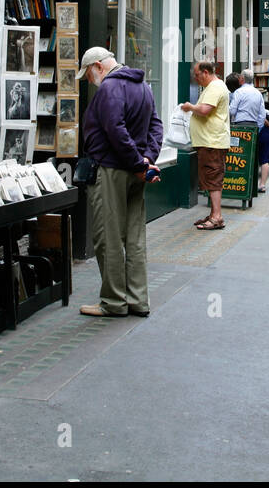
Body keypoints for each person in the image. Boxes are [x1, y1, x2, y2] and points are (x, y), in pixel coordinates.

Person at [77, 47, 164, 318]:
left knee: (108, 236)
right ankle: (138, 299)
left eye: (89, 74)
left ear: (98, 67)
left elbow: (115, 130)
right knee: (135, 236)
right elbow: (156, 127)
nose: (90, 81)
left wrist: (139, 163)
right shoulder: (144, 86)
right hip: (134, 170)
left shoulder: (109, 88)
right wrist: (146, 160)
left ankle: (113, 301)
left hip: (112, 170)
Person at [182, 61, 231, 230]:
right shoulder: (212, 87)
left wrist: (189, 107)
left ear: (205, 72)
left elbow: (204, 110)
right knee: (210, 178)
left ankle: (217, 216)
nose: (196, 79)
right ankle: (213, 215)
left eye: (197, 75)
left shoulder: (215, 87)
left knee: (213, 178)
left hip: (213, 142)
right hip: (209, 141)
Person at [257, 112, 269, 193]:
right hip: (266, 133)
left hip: (260, 132)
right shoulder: (265, 109)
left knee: (262, 160)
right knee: (265, 160)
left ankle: (254, 185)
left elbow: (264, 119)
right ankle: (262, 185)